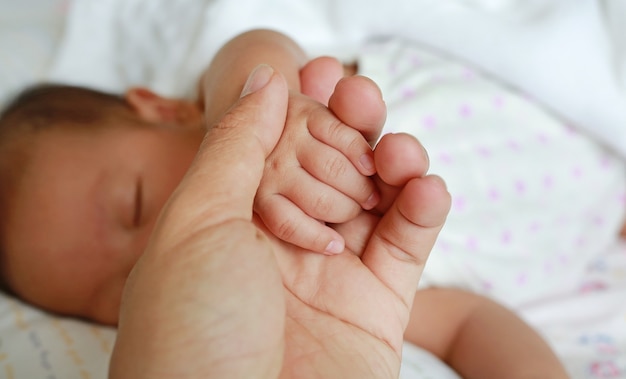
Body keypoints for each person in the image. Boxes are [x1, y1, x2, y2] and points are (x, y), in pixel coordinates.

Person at [0, 29, 568, 378]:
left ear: (162, 109)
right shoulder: (330, 292)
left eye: (138, 205)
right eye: (126, 289)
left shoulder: (255, 109)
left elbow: (253, 44)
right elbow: (468, 322)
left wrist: (264, 115)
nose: (163, 247)